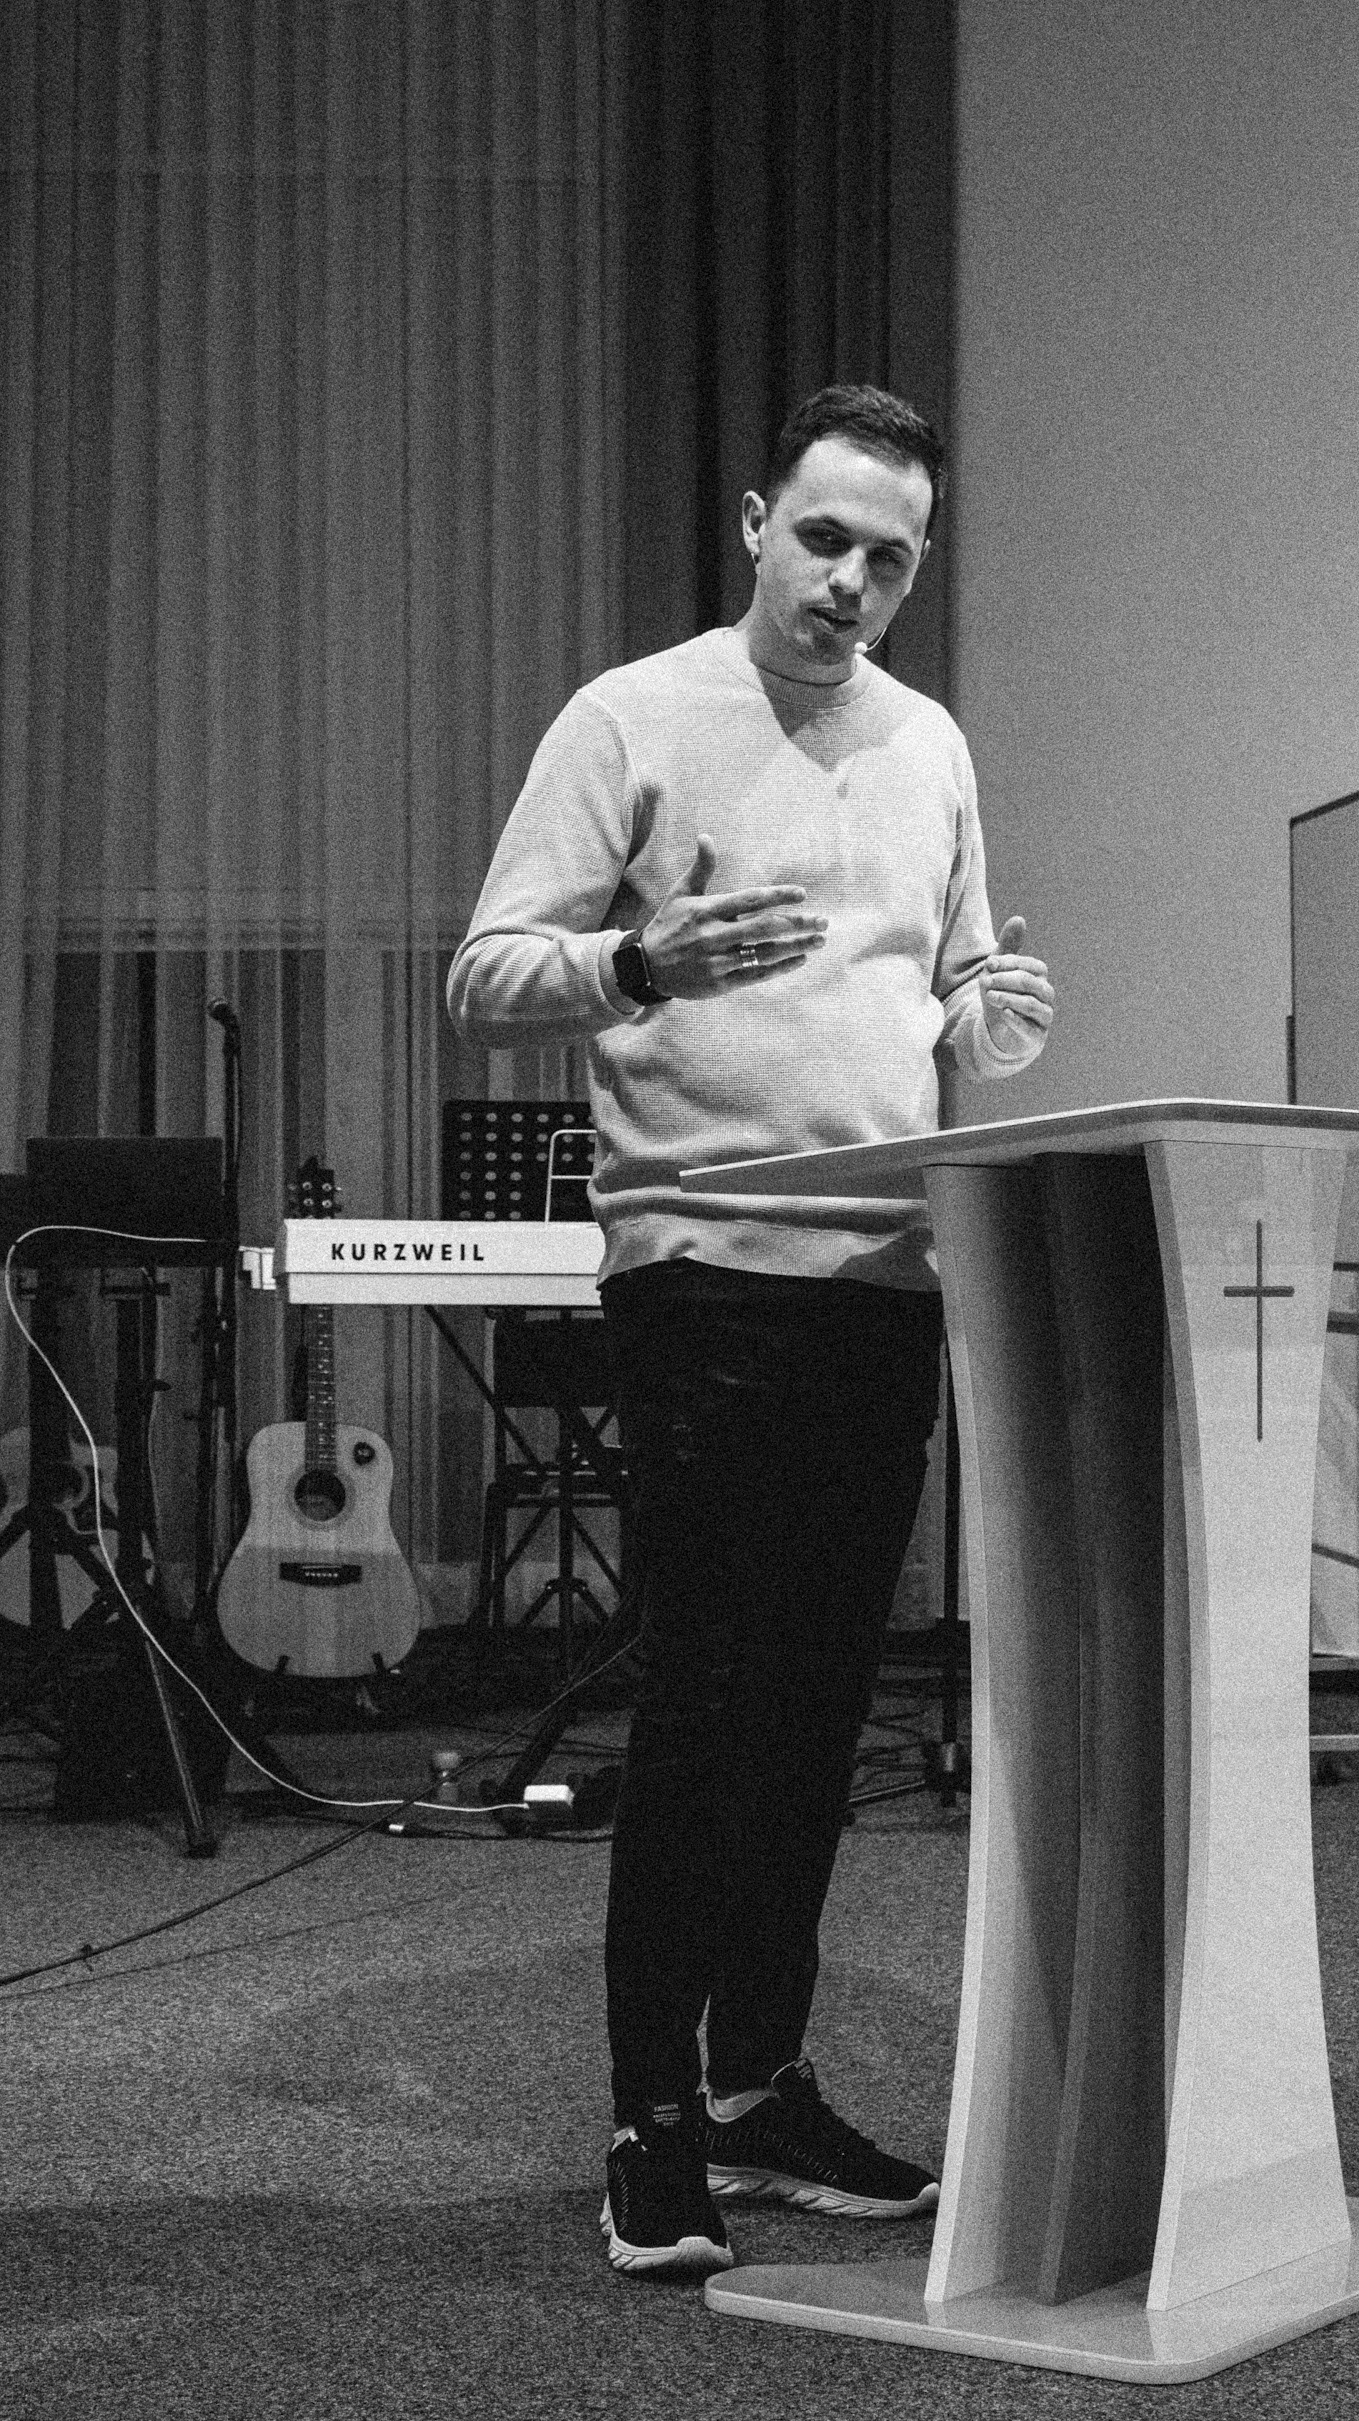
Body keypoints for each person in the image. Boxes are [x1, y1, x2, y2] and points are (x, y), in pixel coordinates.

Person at [448, 383, 1055, 2277]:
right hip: (705, 1275)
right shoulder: (633, 716)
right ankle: (649, 2126)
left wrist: (995, 1005)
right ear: (753, 523)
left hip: (889, 1283)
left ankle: (757, 2087)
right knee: (708, 1707)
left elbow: (958, 980)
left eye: (893, 557)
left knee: (817, 1717)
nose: (854, 580)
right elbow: (487, 974)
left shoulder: (931, 742)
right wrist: (639, 957)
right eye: (826, 537)